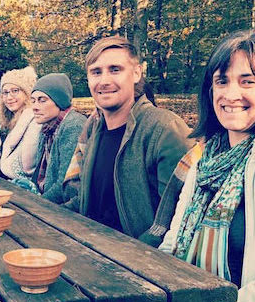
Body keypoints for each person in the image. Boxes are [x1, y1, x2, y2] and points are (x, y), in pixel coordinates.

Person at [77, 29, 255, 302]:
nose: (231, 93)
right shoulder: (206, 160)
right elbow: (172, 246)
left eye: (247, 81)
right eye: (221, 82)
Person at [62, 36, 193, 245]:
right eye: (96, 72)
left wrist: (129, 257)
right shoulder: (94, 129)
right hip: (88, 250)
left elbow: (177, 219)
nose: (104, 81)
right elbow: (85, 200)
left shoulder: (165, 129)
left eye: (115, 69)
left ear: (136, 73)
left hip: (138, 265)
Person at [28, 73, 86, 203]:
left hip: (62, 210)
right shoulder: (47, 127)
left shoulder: (74, 126)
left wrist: (35, 204)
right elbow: (38, 176)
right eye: (33, 100)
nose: (35, 107)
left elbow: (64, 186)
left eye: (42, 100)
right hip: (43, 198)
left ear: (60, 101)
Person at [0, 66, 41, 180]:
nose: (9, 97)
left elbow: (26, 167)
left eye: (15, 91)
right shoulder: (6, 121)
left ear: (27, 93)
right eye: (5, 92)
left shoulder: (33, 120)